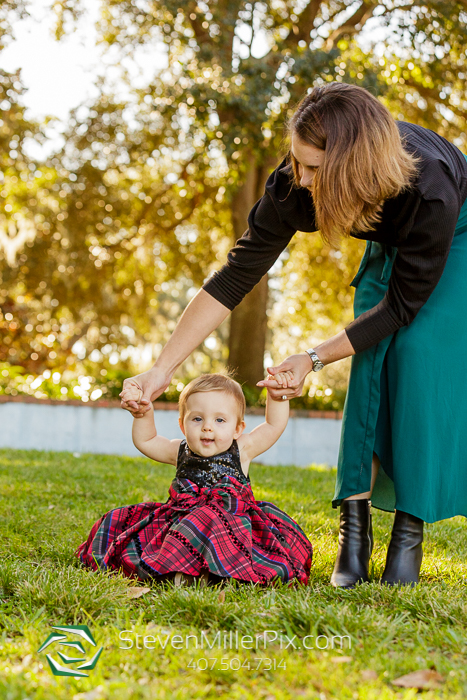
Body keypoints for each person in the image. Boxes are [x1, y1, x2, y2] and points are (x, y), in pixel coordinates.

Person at [121, 82, 467, 589]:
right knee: (369, 366)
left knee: (414, 356)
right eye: (296, 161)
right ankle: (355, 533)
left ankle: (407, 536)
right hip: (385, 227)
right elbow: (235, 275)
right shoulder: (294, 181)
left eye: (313, 168)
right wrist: (162, 369)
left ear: (353, 167)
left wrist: (313, 357)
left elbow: (400, 306)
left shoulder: (429, 187)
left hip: (456, 234)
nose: (299, 178)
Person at [76, 372, 313, 586]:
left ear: (237, 429)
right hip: (184, 527)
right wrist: (143, 414)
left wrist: (277, 396)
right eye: (197, 419)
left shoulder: (243, 449)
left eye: (220, 420)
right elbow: (146, 441)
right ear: (182, 425)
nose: (207, 427)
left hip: (231, 530)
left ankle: (220, 573)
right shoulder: (179, 450)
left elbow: (273, 425)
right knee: (118, 521)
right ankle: (179, 572)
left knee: (210, 516)